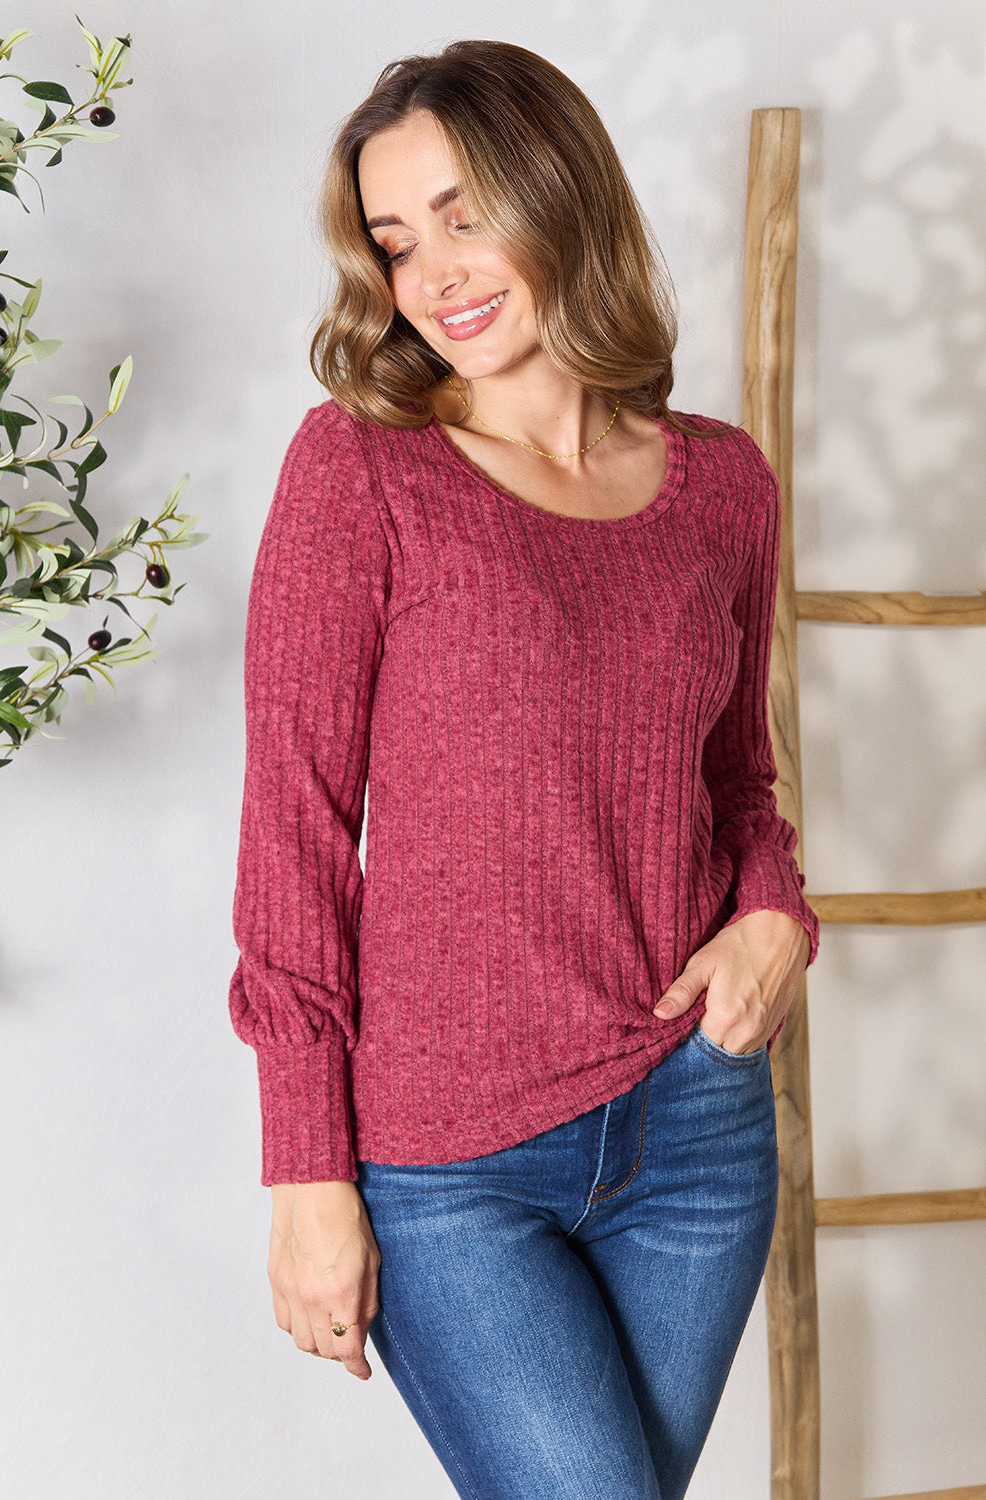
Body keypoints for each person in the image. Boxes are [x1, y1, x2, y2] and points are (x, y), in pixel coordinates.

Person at [228, 38, 820, 1500]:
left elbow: (738, 780)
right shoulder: (360, 473)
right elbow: (295, 838)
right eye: (394, 238)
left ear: (561, 195)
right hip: (448, 1169)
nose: (434, 269)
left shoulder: (722, 486)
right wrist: (309, 1175)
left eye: (464, 211)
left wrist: (774, 914)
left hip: (695, 1126)